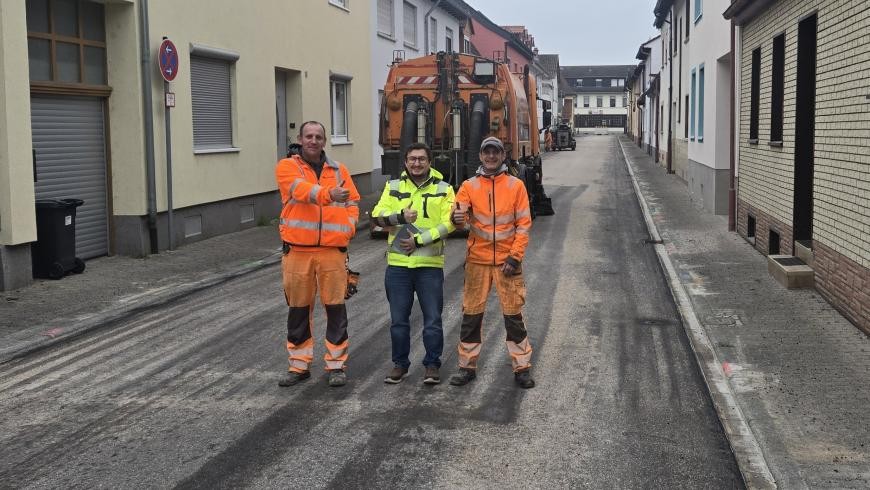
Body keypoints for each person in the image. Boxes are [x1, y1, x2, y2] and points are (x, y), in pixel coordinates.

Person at [275, 121, 360, 388]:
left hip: (333, 252)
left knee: (336, 310)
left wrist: (348, 227)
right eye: (309, 136)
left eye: (318, 137)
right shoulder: (287, 167)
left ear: (325, 141)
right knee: (298, 311)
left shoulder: (339, 170)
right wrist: (329, 194)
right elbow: (301, 191)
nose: (313, 140)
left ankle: (336, 365)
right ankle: (299, 366)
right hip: (297, 251)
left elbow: (353, 201)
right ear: (300, 139)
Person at [448, 136, 535, 389]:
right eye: (487, 152)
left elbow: (523, 226)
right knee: (471, 316)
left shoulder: (516, 186)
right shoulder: (468, 186)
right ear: (481, 156)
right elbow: (458, 218)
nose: (491, 156)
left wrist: (515, 257)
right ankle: (467, 367)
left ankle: (522, 368)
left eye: (495, 152)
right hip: (477, 261)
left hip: (508, 262)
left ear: (502, 156)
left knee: (513, 316)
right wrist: (456, 218)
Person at [372, 143, 455, 385]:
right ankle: (400, 365)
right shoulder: (393, 186)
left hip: (429, 266)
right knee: (398, 321)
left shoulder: (444, 189)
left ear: (429, 162)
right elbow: (376, 217)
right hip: (398, 266)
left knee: (433, 320)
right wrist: (401, 216)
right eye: (412, 159)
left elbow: (449, 224)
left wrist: (419, 240)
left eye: (421, 159)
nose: (416, 163)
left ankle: (432, 365)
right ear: (406, 162)